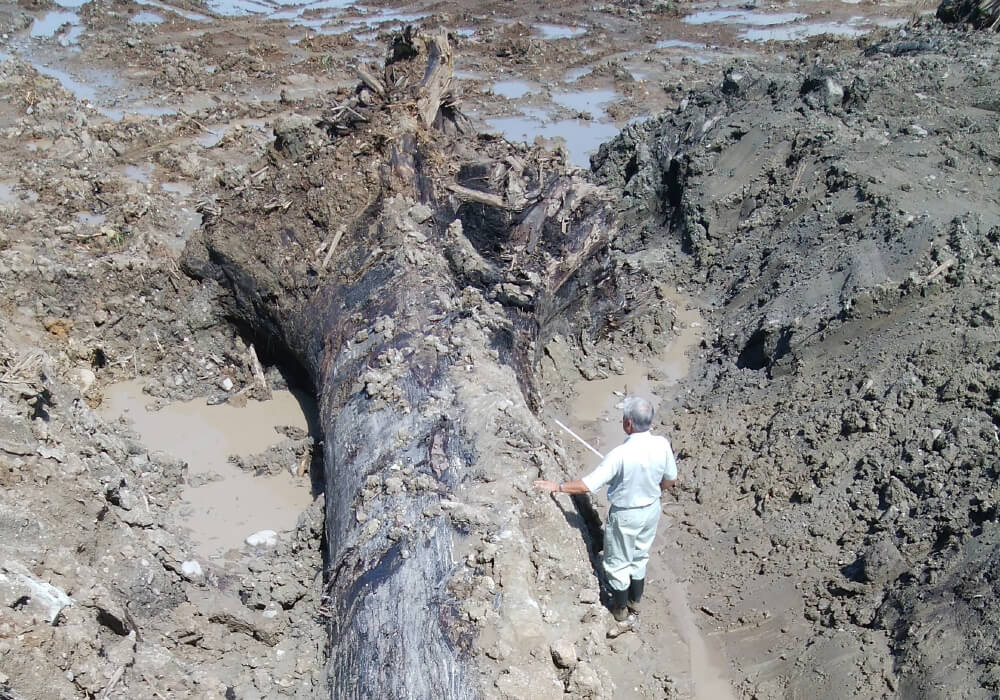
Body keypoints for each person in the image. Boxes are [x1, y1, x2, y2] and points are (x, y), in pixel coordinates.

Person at [534, 396, 678, 621]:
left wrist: (557, 486)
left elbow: (586, 485)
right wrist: (652, 488)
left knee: (617, 563)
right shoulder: (662, 444)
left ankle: (620, 611)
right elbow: (670, 480)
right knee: (639, 556)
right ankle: (634, 602)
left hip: (626, 515)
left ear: (628, 423)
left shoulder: (619, 455)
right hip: (652, 509)